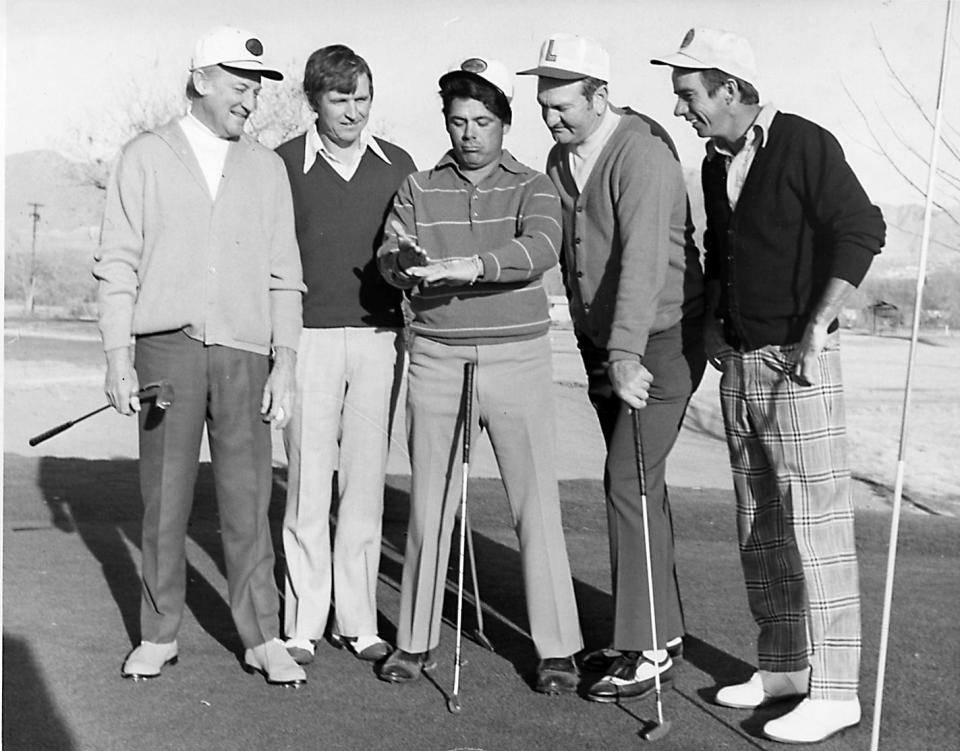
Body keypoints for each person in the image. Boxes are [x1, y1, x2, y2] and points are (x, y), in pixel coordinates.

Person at [651, 27, 885, 743]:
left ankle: (836, 689)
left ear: (730, 88)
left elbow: (861, 228)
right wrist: (719, 321)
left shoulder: (803, 142)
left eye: (690, 96)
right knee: (762, 525)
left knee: (817, 529)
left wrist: (818, 323)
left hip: (799, 360)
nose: (682, 109)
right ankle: (785, 665)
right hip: (743, 362)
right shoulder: (716, 162)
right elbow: (721, 252)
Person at [93, 26, 307, 687]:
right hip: (165, 350)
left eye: (256, 88)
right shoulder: (145, 155)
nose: (250, 99)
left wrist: (287, 359)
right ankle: (158, 634)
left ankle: (263, 636)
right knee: (165, 502)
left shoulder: (267, 167)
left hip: (245, 352)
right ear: (201, 80)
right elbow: (117, 263)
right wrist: (116, 353)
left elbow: (284, 274)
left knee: (248, 500)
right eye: (240, 85)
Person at [376, 56, 583, 694]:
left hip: (516, 356)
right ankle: (413, 642)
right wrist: (400, 264)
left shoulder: (534, 184)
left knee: (534, 505)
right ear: (446, 122)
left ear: (504, 124)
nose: (470, 133)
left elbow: (542, 248)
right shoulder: (417, 185)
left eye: (483, 121)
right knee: (429, 504)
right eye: (459, 121)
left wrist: (468, 267)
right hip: (437, 355)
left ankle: (557, 651)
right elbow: (389, 253)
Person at [519, 33, 706, 704]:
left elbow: (644, 263)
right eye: (544, 105)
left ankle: (648, 646)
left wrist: (624, 354)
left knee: (627, 480)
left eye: (564, 105)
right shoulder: (560, 156)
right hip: (609, 346)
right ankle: (659, 628)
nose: (552, 118)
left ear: (601, 96)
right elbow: (572, 253)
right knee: (640, 483)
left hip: (660, 339)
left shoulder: (643, 154)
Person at [274, 45, 416, 666]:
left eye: (362, 98)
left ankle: (357, 621)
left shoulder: (398, 165)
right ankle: (302, 621)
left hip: (381, 340)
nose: (354, 111)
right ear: (314, 101)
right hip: (307, 339)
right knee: (307, 478)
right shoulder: (281, 165)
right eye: (340, 99)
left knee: (364, 482)